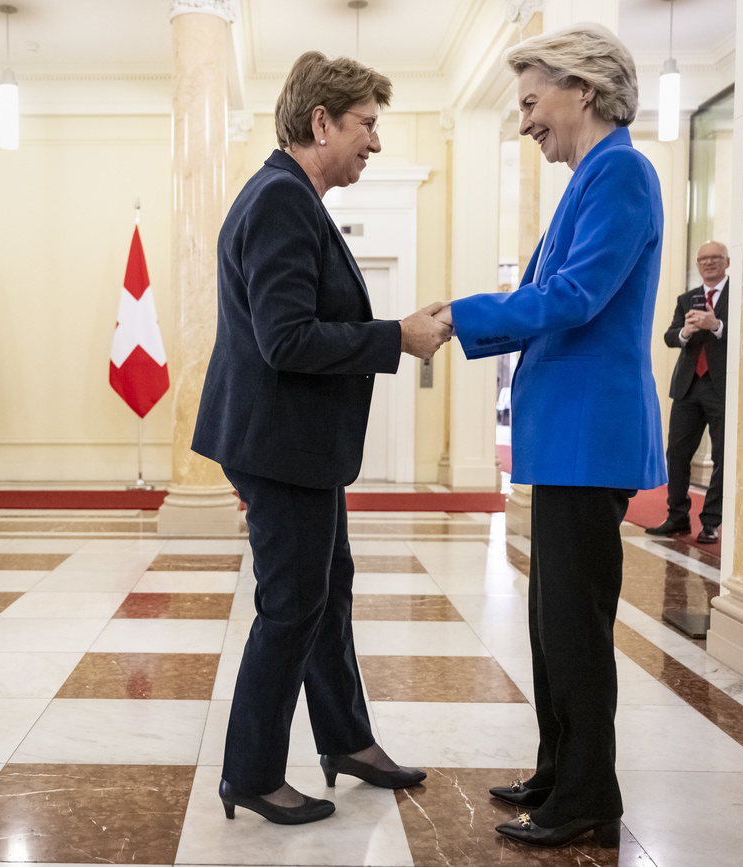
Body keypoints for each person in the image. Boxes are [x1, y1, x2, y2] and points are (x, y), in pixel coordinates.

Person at [191, 50, 448, 825]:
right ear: (321, 121)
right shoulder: (279, 200)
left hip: (294, 444)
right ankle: (252, 772)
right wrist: (395, 337)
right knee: (292, 606)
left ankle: (345, 741)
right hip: (281, 446)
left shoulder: (290, 196)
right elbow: (286, 340)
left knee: (326, 593)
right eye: (367, 125)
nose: (374, 142)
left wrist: (391, 333)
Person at [432, 23, 665, 849]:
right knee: (549, 619)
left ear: (585, 91)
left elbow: (571, 297)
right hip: (564, 437)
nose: (526, 120)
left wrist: (459, 316)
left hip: (588, 435)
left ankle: (588, 798)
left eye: (532, 102)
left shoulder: (623, 175)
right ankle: (558, 766)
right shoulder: (590, 179)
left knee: (574, 623)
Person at [645, 242, 730, 544]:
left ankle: (711, 523)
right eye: (703, 259)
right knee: (677, 454)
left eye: (715, 258)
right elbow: (670, 336)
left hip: (721, 388)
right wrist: (686, 332)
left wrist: (716, 325)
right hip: (688, 386)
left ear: (727, 262)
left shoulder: (739, 295)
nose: (708, 263)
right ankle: (677, 517)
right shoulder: (687, 299)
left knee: (722, 456)